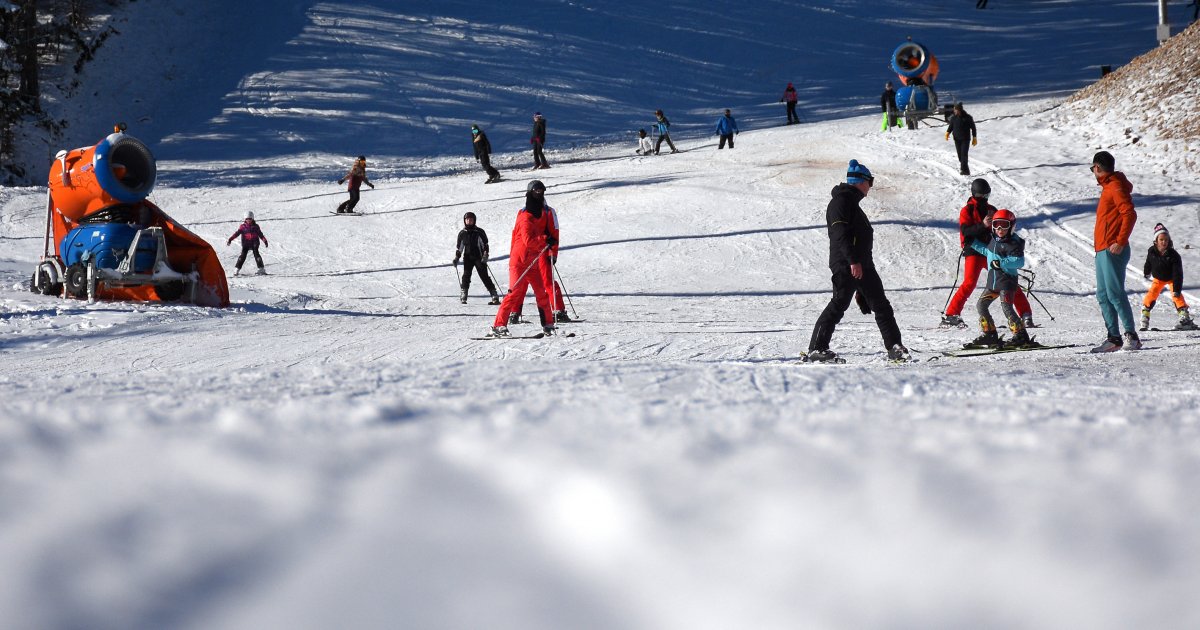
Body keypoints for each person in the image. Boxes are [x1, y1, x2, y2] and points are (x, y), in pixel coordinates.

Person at [805, 160, 910, 362]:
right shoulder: (841, 202)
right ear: (860, 181)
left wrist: (861, 282)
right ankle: (816, 349)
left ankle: (895, 347)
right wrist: (853, 261)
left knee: (881, 306)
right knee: (838, 304)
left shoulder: (851, 203)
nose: (870, 185)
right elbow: (840, 233)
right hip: (847, 264)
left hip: (862, 265)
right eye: (870, 181)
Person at [942, 178, 1035, 328]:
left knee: (1008, 280)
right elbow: (965, 232)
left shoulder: (991, 208)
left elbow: (1000, 227)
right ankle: (952, 314)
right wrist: (983, 225)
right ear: (974, 194)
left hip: (990, 250)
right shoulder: (967, 210)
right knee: (970, 282)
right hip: (973, 250)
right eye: (981, 195)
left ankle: (1025, 314)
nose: (984, 198)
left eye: (986, 195)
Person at [962, 209, 1037, 348]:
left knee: (1006, 307)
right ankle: (989, 334)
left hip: (1007, 282)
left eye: (1004, 225)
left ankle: (1020, 335)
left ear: (1012, 226)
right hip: (993, 282)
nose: (1000, 229)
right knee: (981, 305)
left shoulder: (1013, 243)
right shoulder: (994, 240)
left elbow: (1019, 261)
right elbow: (988, 251)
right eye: (996, 225)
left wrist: (1002, 263)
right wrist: (973, 244)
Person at [492, 180, 558, 337]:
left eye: (542, 191)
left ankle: (548, 323)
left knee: (541, 293)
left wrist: (550, 243)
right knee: (513, 293)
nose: (540, 194)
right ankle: (498, 325)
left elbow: (546, 233)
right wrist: (545, 240)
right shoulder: (525, 216)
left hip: (533, 261)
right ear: (529, 194)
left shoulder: (542, 214)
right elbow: (528, 241)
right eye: (536, 191)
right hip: (520, 261)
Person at [1089, 150, 1140, 352]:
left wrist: (1120, 241)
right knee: (1103, 294)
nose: (1093, 171)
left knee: (1115, 293)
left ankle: (1132, 336)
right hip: (1102, 249)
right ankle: (1114, 338)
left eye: (1093, 168)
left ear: (1098, 168)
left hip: (1113, 248)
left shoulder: (1115, 186)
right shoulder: (1109, 186)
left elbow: (1130, 214)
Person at [1140, 223, 1195, 330]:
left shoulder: (1174, 255)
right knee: (1151, 295)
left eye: (1166, 239)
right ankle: (1145, 315)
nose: (1164, 242)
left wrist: (1177, 289)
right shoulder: (1151, 251)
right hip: (1158, 279)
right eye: (1161, 239)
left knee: (1177, 296)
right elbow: (1148, 262)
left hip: (1171, 279)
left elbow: (1178, 273)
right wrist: (1147, 272)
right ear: (1156, 240)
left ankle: (1185, 318)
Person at [454, 212, 501, 305]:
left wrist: (485, 255)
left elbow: (485, 245)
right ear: (464, 221)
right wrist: (456, 258)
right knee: (466, 275)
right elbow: (460, 248)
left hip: (479, 257)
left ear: (474, 220)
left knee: (484, 275)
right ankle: (464, 294)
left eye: (471, 219)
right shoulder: (462, 233)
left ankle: (494, 295)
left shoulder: (479, 232)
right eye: (467, 219)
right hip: (468, 257)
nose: (469, 221)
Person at [227, 210, 269, 276]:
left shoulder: (256, 227)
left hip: (254, 243)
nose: (248, 220)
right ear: (245, 219)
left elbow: (260, 234)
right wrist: (230, 239)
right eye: (247, 219)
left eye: (250, 219)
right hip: (246, 243)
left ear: (252, 219)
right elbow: (237, 233)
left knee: (256, 254)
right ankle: (237, 269)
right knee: (243, 256)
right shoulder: (243, 227)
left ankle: (261, 269)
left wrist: (265, 241)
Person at [944, 103, 977, 175]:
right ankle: (966, 170)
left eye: (955, 110)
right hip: (957, 139)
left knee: (964, 155)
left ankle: (963, 171)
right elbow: (951, 127)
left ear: (959, 110)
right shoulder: (954, 118)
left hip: (965, 139)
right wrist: (947, 133)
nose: (954, 111)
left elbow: (973, 128)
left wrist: (974, 137)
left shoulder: (968, 118)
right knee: (960, 156)